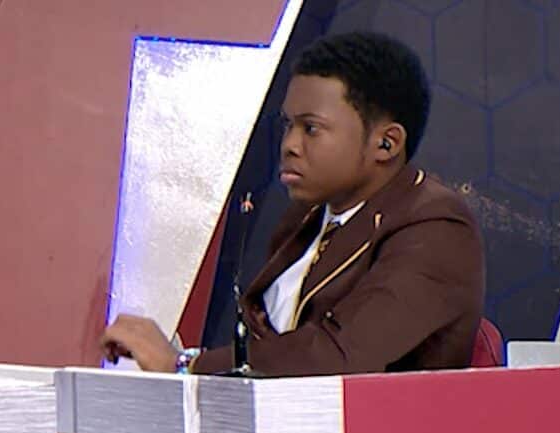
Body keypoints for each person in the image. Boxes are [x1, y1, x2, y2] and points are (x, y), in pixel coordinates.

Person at [100, 31, 484, 377]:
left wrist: (187, 365)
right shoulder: (306, 218)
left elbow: (339, 355)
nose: (289, 145)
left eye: (311, 128)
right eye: (288, 125)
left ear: (386, 144)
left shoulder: (438, 228)